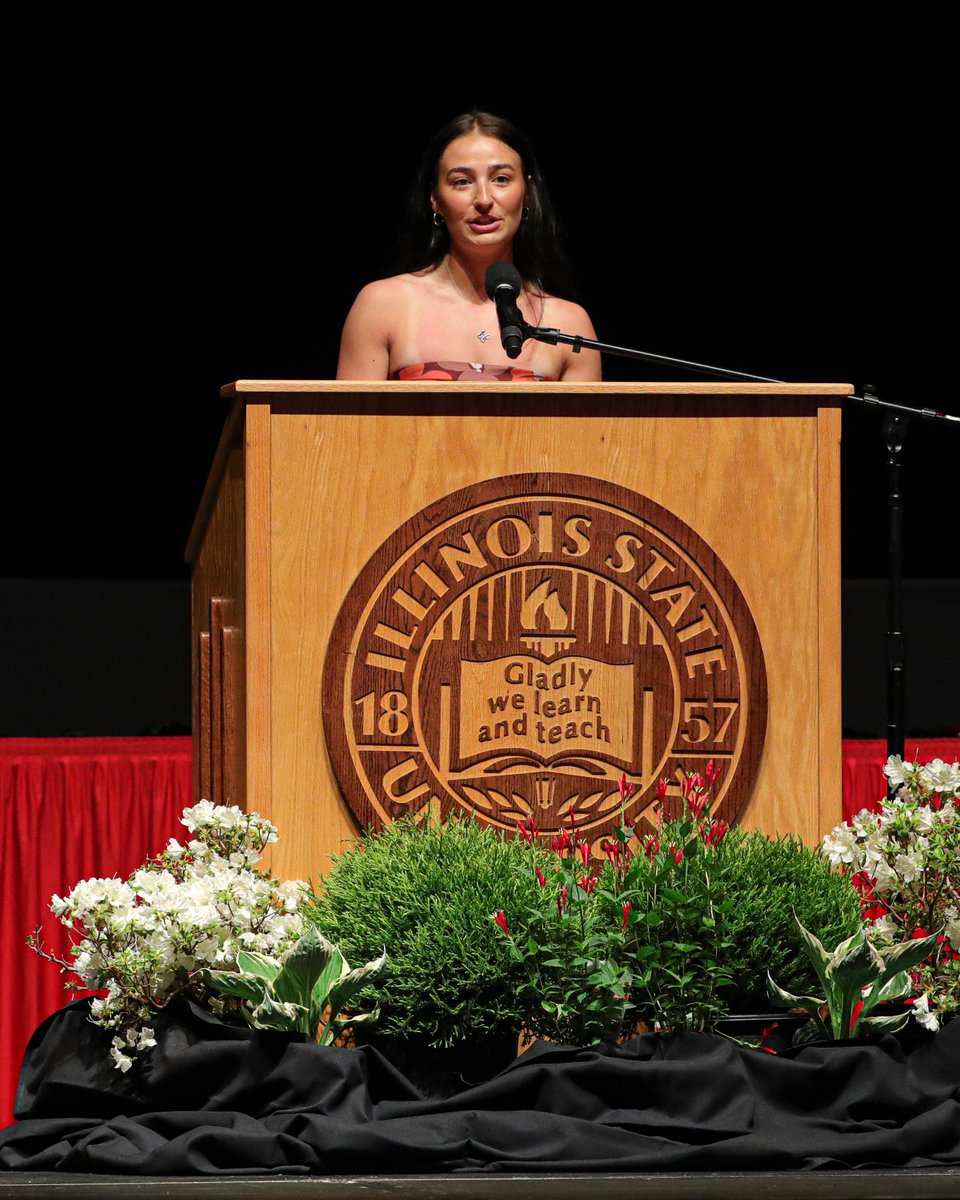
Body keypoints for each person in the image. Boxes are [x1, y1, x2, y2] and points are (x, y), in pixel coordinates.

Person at [336, 111, 601, 382]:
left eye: (501, 179)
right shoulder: (383, 306)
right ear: (435, 199)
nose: (484, 199)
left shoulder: (568, 325)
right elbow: (349, 425)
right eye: (462, 182)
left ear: (527, 193)